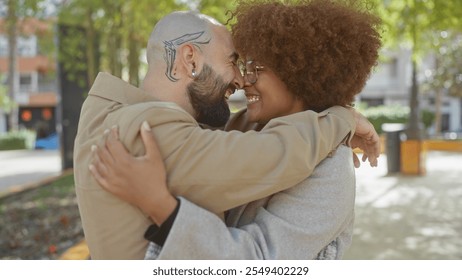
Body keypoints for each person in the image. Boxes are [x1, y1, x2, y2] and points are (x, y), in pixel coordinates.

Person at [75, 10, 379, 259]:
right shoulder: (153, 130)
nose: (242, 80)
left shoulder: (332, 166)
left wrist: (160, 206)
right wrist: (343, 117)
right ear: (191, 60)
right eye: (238, 63)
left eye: (255, 67)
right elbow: (275, 151)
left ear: (302, 74)